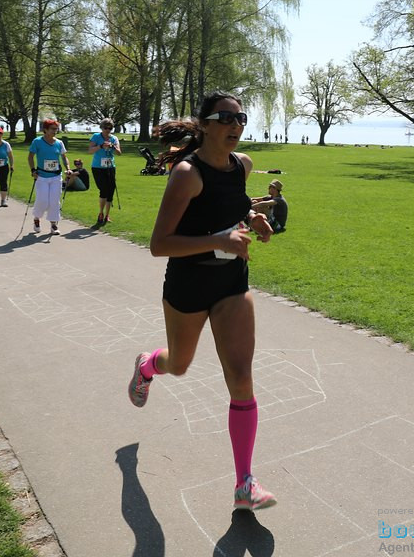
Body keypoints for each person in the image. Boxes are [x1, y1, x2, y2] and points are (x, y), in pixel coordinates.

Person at [129, 92, 276, 512]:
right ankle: (147, 364)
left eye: (240, 118)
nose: (235, 124)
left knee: (241, 376)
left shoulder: (241, 166)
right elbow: (160, 244)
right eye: (225, 118)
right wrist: (216, 240)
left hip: (232, 283)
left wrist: (253, 219)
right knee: (180, 364)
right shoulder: (186, 174)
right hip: (188, 286)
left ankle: (244, 482)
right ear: (206, 124)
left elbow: (231, 207)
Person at [26, 119, 68, 235]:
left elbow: (64, 157)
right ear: (45, 130)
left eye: (56, 129)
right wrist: (33, 170)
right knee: (43, 200)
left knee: (54, 201)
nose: (55, 131)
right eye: (53, 129)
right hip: (42, 176)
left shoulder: (59, 143)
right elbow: (30, 157)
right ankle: (36, 219)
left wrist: (68, 168)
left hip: (56, 176)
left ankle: (53, 224)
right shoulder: (37, 142)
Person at [88, 118, 121, 225]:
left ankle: (107, 215)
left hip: (110, 167)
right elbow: (90, 151)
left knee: (110, 190)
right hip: (98, 167)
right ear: (101, 127)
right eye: (106, 128)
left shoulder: (114, 138)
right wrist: (101, 146)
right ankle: (100, 213)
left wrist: (113, 147)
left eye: (110, 128)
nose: (108, 130)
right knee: (103, 189)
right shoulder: (96, 137)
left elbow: (119, 153)